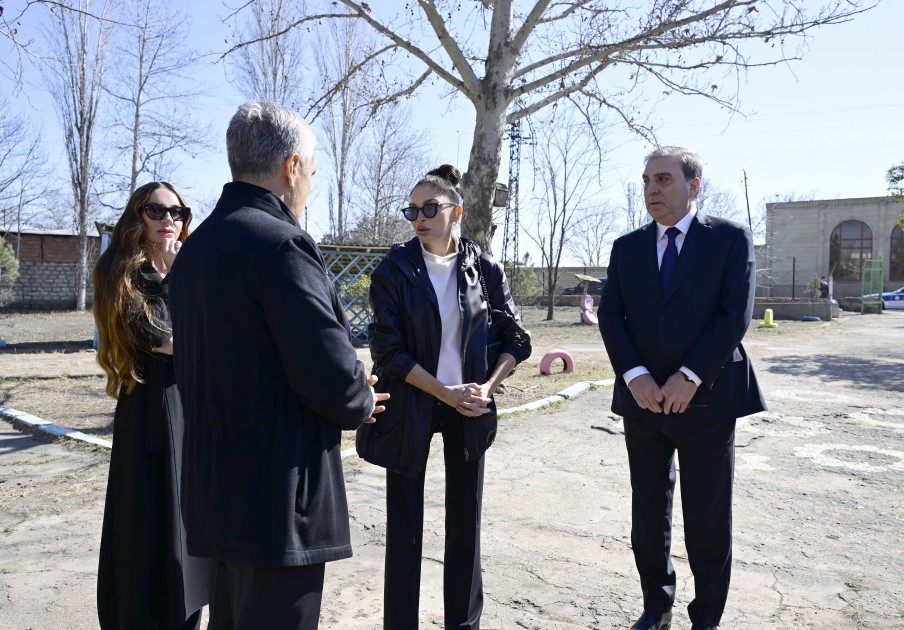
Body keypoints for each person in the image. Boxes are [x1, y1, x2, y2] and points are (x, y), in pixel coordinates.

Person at [168, 101, 388, 630]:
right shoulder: (282, 245)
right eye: (310, 172)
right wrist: (359, 394)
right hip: (278, 499)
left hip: (213, 491)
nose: (309, 185)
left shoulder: (195, 250)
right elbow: (332, 379)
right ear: (292, 168)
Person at [598, 146, 766, 630]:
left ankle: (706, 618)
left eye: (664, 179)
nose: (652, 189)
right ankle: (657, 607)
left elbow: (733, 315)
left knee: (707, 518)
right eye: (647, 180)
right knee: (648, 516)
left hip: (707, 400)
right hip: (644, 402)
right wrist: (636, 376)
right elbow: (611, 315)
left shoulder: (730, 239)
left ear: (694, 186)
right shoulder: (626, 247)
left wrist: (689, 375)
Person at [357, 165, 532, 629]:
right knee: (405, 530)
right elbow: (388, 351)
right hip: (411, 402)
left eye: (430, 208)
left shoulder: (484, 266)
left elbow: (517, 339)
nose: (420, 217)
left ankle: (463, 624)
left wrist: (485, 390)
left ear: (456, 211)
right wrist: (443, 391)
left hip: (470, 406)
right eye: (412, 210)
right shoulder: (394, 268)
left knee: (464, 527)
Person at [93, 181, 213, 629]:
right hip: (146, 410)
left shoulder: (191, 266)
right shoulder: (119, 268)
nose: (168, 220)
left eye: (178, 212)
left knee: (188, 526)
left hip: (192, 409)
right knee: (143, 525)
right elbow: (157, 337)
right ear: (137, 216)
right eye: (156, 210)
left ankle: (187, 618)